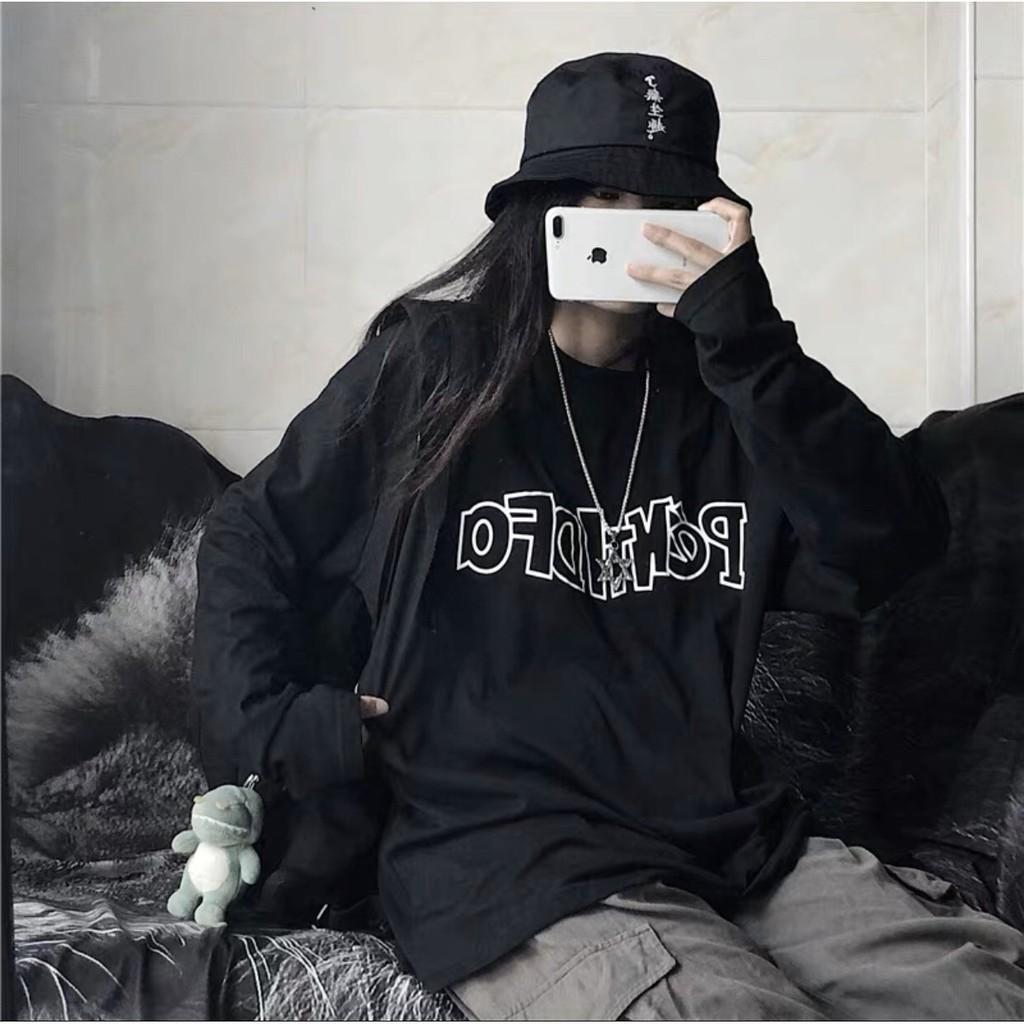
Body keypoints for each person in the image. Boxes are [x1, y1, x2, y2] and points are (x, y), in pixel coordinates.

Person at [189, 52, 1024, 1019]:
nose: (633, 225)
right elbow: (251, 537)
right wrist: (286, 730)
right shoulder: (432, 368)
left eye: (664, 203)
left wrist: (749, 340)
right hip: (507, 853)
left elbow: (893, 545)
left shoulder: (733, 393)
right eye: (602, 197)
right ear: (540, 212)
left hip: (737, 841)